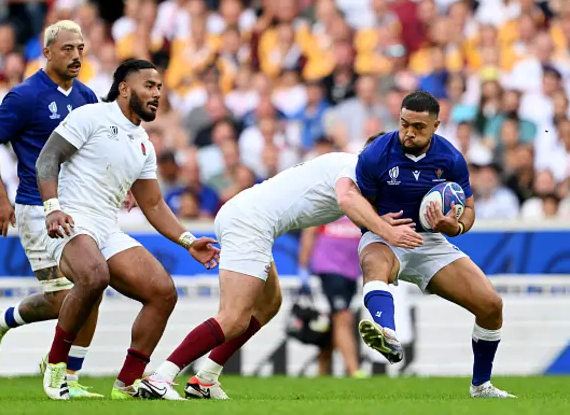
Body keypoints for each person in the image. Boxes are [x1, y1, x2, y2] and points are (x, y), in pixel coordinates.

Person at [139, 138, 424, 400]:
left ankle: (206, 379)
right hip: (248, 222)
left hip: (253, 221)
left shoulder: (358, 178)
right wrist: (387, 229)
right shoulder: (349, 169)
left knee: (269, 305)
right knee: (234, 317)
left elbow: (360, 208)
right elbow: (346, 200)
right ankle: (161, 377)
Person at [35, 59, 219, 401]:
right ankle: (56, 367)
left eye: (160, 88)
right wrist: (52, 208)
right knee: (93, 275)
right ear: (124, 87)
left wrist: (188, 241)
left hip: (106, 227)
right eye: (149, 85)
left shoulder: (144, 143)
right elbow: (47, 159)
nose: (156, 94)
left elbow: (153, 205)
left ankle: (128, 382)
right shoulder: (92, 116)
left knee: (163, 292)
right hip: (70, 219)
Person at [355, 91, 515, 398]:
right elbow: (356, 207)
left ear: (436, 126)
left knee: (492, 306)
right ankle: (387, 333)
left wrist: (452, 226)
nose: (409, 132)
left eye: (418, 127)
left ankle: (481, 386)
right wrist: (378, 225)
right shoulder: (376, 154)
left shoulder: (451, 158)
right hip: (385, 235)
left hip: (430, 241)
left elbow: (468, 210)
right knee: (373, 263)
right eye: (404, 124)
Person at [0, 20, 102, 398]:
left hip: (79, 208)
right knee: (71, 296)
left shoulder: (87, 97)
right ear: (46, 52)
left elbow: (94, 152)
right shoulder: (26, 96)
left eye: (80, 48)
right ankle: (0, 322)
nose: (76, 55)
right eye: (67, 49)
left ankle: (68, 375)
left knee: (92, 284)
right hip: (35, 209)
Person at [298, 216, 365, 378]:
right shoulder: (329, 205)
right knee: (343, 317)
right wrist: (303, 266)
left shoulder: (359, 207)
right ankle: (354, 369)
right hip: (330, 269)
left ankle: (322, 369)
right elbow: (310, 231)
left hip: (351, 272)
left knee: (332, 320)